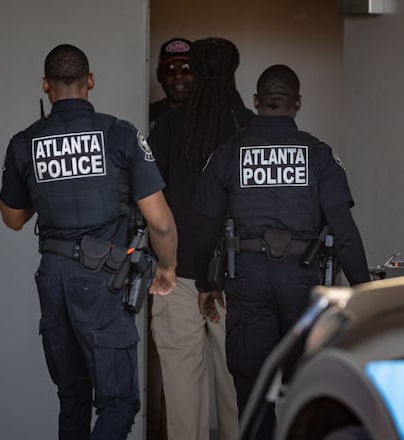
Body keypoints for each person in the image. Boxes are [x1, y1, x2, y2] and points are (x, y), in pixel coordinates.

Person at [0, 44, 178, 440]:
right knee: (118, 402)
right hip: (103, 279)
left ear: (46, 85)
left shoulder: (25, 142)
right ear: (90, 81)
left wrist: (45, 189)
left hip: (54, 277)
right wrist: (167, 268)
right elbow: (160, 221)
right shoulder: (120, 134)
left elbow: (12, 218)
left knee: (73, 397)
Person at [193, 64, 372, 439]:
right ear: (298, 102)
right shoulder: (319, 155)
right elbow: (344, 233)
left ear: (256, 101)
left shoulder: (227, 154)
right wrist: (365, 294)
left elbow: (204, 229)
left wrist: (206, 284)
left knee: (253, 394)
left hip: (247, 282)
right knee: (305, 389)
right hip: (302, 283)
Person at [149, 37, 253, 440]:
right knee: (239, 396)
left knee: (182, 402)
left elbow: (150, 201)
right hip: (239, 278)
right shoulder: (251, 128)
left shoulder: (168, 127)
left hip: (177, 275)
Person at [149, 37, 193, 129]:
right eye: (170, 69)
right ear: (159, 75)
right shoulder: (146, 114)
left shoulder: (210, 113)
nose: (178, 76)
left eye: (186, 69)